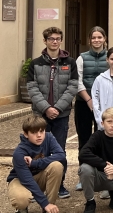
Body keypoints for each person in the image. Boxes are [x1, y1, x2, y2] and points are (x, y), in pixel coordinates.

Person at [26, 26, 78, 199]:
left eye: (57, 39)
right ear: (45, 41)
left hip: (61, 116)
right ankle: (38, 186)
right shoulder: (35, 63)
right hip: (40, 116)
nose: (54, 42)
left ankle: (60, 185)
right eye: (51, 39)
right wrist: (46, 108)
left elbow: (72, 87)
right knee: (37, 150)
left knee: (58, 150)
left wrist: (57, 108)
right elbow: (32, 89)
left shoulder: (69, 62)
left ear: (61, 41)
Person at [7, 115, 67, 213]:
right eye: (34, 132)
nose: (39, 135)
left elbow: (61, 155)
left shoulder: (48, 137)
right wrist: (44, 203)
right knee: (21, 200)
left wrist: (35, 163)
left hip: (40, 176)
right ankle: (22, 207)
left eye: (41, 131)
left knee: (57, 166)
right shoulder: (19, 152)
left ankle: (49, 208)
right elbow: (27, 180)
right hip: (20, 180)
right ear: (26, 134)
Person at [74, 26, 107, 191]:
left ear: (104, 39)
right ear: (89, 40)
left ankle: (102, 174)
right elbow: (78, 81)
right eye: (93, 37)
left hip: (104, 105)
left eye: (99, 37)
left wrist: (99, 103)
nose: (96, 40)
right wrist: (88, 100)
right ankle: (83, 175)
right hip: (83, 103)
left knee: (102, 138)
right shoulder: (81, 58)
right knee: (84, 140)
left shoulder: (110, 57)